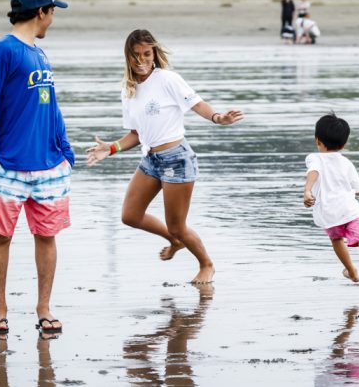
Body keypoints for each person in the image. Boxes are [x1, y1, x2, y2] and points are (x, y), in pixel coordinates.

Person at [86, 29, 243, 284]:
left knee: (178, 225)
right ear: (128, 56)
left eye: (146, 54)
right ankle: (174, 241)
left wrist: (218, 118)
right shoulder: (128, 90)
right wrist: (111, 148)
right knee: (130, 216)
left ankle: (206, 264)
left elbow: (197, 104)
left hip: (176, 160)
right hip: (150, 160)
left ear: (154, 53)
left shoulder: (167, 79)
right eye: (135, 55)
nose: (141, 60)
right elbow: (136, 134)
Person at [0, 0, 73, 335]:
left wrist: (65, 149)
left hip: (49, 164)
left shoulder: (40, 54)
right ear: (40, 12)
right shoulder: (4, 50)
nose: (52, 19)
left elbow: (51, 105)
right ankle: (0, 309)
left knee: (46, 236)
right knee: (1, 236)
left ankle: (43, 308)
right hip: (7, 165)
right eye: (51, 12)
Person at [303, 113, 359, 300]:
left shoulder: (314, 158)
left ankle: (352, 271)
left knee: (337, 240)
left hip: (329, 213)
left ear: (317, 140)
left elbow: (314, 171)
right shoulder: (346, 163)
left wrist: (307, 190)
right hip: (350, 211)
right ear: (343, 145)